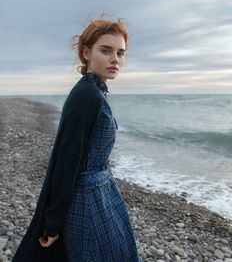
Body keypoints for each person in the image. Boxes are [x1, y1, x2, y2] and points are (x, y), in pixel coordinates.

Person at [13, 17, 142, 261]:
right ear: (86, 53)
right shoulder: (87, 96)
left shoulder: (95, 91)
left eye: (121, 53)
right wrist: (52, 223)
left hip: (102, 193)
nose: (116, 59)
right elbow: (65, 160)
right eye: (106, 50)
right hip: (87, 201)